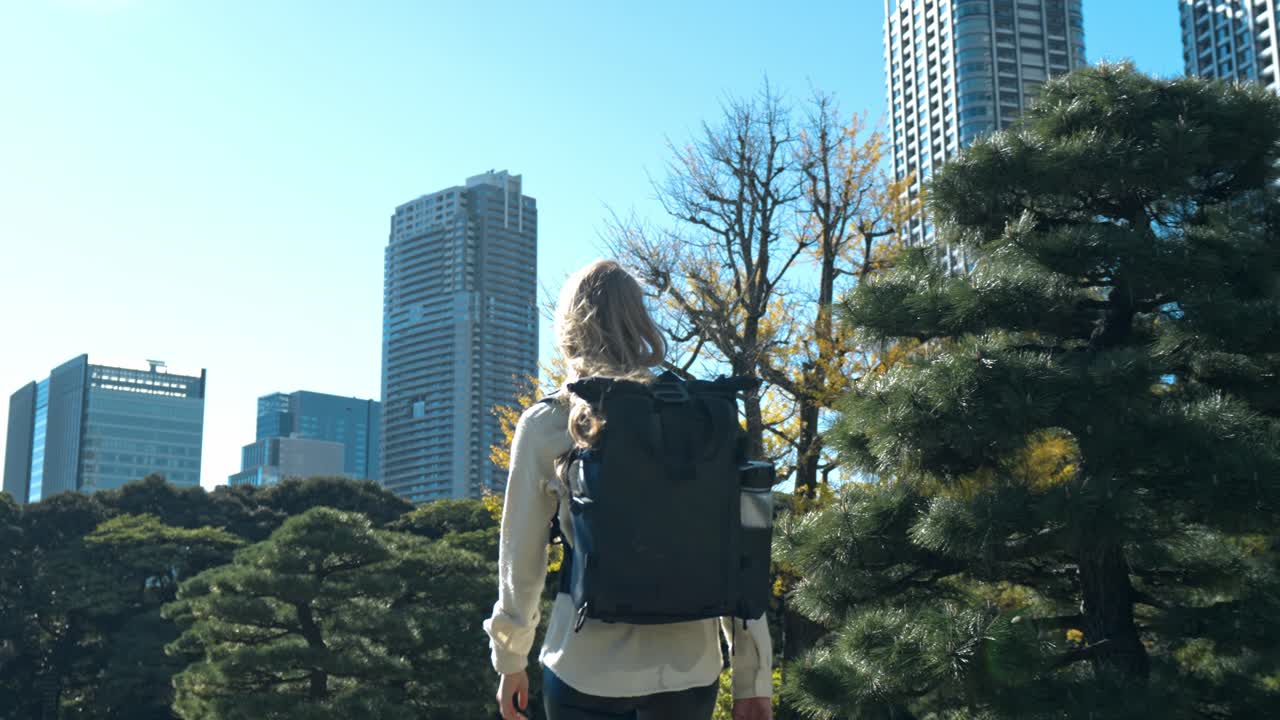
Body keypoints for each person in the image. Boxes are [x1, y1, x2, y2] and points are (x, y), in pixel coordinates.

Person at [484, 259, 773, 720]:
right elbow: (739, 550)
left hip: (585, 667)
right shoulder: (698, 416)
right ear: (640, 320)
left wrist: (510, 660)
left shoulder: (552, 420)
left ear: (568, 327)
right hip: (690, 666)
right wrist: (753, 678)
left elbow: (521, 557)